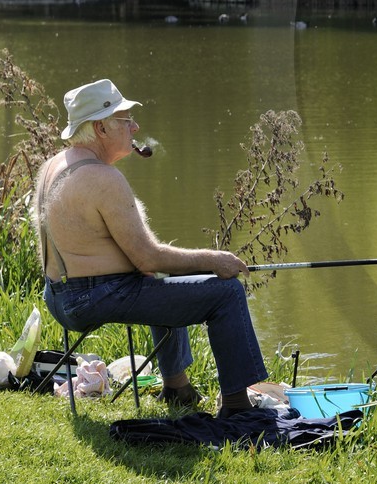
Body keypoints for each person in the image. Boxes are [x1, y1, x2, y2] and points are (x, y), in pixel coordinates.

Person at [33, 78, 267, 417]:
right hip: (93, 298)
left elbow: (141, 259)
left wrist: (173, 263)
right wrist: (213, 259)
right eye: (126, 120)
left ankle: (177, 387)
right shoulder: (103, 179)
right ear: (100, 128)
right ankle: (237, 407)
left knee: (167, 275)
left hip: (58, 296)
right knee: (226, 292)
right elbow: (147, 256)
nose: (135, 126)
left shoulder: (54, 165)